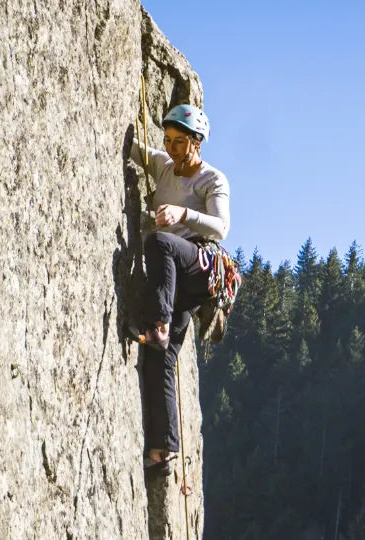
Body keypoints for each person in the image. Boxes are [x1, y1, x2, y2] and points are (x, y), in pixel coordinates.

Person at [130, 103, 230, 473]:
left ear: (196, 142)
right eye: (168, 140)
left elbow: (220, 228)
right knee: (161, 357)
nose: (171, 148)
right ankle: (162, 451)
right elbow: (135, 150)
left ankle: (158, 322)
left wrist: (183, 214)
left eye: (179, 141)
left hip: (200, 268)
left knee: (159, 242)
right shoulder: (163, 166)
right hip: (175, 281)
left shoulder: (212, 180)